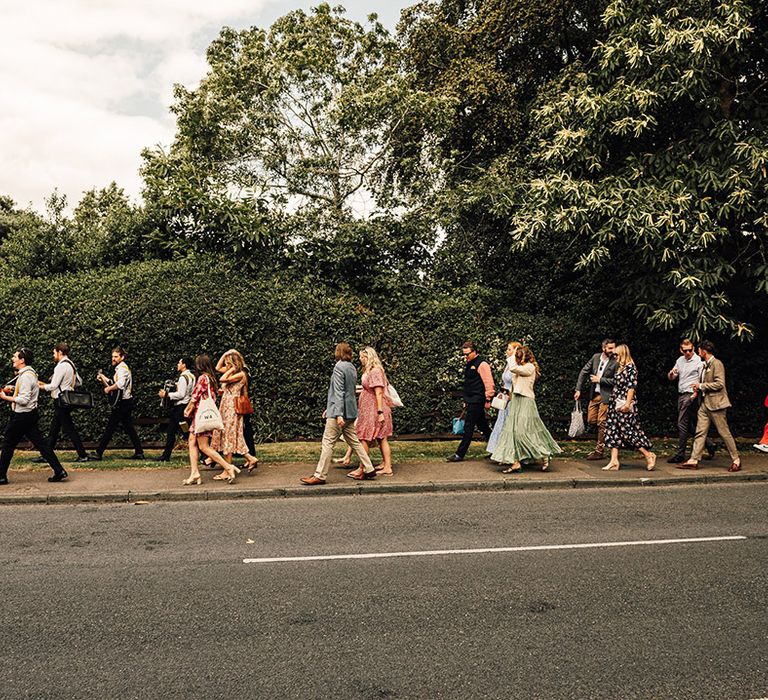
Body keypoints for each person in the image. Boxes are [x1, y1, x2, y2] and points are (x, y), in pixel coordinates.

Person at [300, 342, 376, 485]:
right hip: (351, 411)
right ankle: (369, 467)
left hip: (339, 413)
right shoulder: (352, 368)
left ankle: (319, 475)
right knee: (354, 441)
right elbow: (350, 390)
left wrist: (337, 413)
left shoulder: (338, 367)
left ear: (338, 352)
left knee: (327, 442)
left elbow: (339, 391)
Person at [0, 347, 68, 485]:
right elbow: (28, 390)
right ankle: (59, 470)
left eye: (15, 357)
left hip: (21, 416)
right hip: (29, 415)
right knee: (42, 445)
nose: (13, 359)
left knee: (8, 444)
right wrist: (12, 389)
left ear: (22, 360)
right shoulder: (30, 373)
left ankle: (1, 476)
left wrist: (5, 397)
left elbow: (24, 400)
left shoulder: (25, 376)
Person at [490, 345, 561, 472]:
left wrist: (511, 357)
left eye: (518, 356)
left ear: (524, 356)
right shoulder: (520, 367)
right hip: (516, 400)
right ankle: (515, 462)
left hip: (526, 400)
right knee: (512, 431)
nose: (516, 358)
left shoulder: (530, 367)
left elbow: (513, 369)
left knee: (523, 431)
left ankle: (544, 454)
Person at [679, 340, 741, 472]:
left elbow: (720, 384)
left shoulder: (716, 364)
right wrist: (697, 391)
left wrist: (701, 386)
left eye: (699, 350)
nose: (697, 352)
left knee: (724, 432)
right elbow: (703, 384)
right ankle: (693, 460)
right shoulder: (704, 365)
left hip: (717, 404)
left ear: (703, 351)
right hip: (705, 403)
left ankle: (736, 459)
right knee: (700, 432)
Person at [182, 355, 239, 485]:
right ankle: (194, 472)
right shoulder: (211, 378)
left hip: (201, 417)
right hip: (204, 415)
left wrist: (188, 409)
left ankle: (228, 466)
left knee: (204, 446)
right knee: (192, 441)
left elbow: (195, 395)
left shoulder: (203, 378)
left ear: (200, 365)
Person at [601, 344, 656, 471]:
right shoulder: (620, 368)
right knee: (612, 431)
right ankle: (614, 461)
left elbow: (631, 387)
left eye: (616, 354)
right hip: (615, 403)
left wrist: (627, 404)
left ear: (623, 354)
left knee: (628, 432)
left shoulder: (631, 368)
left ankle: (648, 455)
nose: (614, 357)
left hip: (624, 404)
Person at [35, 342, 89, 463]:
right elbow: (79, 382)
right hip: (66, 400)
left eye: (54, 353)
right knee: (54, 429)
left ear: (60, 352)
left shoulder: (60, 366)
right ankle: (47, 454)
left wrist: (38, 386)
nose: (53, 355)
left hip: (61, 401)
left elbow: (53, 386)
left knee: (69, 429)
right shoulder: (71, 364)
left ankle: (82, 455)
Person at [90, 347, 144, 460]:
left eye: (116, 356)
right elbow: (115, 382)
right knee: (129, 427)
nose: (113, 358)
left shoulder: (122, 369)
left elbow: (120, 385)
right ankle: (139, 452)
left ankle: (99, 453)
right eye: (112, 356)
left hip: (122, 403)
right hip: (125, 402)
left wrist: (109, 389)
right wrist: (104, 378)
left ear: (122, 357)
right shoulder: (120, 369)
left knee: (110, 428)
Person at [666, 339, 715, 463]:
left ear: (693, 349)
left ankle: (680, 454)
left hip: (691, 395)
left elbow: (702, 379)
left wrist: (696, 393)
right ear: (681, 350)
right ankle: (709, 443)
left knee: (682, 423)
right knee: (690, 425)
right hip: (681, 394)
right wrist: (672, 374)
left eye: (690, 350)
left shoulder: (699, 361)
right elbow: (672, 376)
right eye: (685, 350)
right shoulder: (680, 360)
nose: (688, 353)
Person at [347, 347, 393, 477]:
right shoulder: (371, 371)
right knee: (381, 438)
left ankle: (363, 467)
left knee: (365, 437)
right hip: (369, 408)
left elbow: (378, 392)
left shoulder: (376, 371)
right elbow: (370, 389)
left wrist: (379, 412)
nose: (360, 359)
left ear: (369, 357)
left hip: (374, 409)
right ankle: (386, 466)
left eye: (363, 357)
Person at [446, 341, 494, 462]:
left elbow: (489, 383)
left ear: (475, 351)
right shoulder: (470, 363)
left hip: (478, 400)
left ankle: (460, 454)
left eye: (467, 354)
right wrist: (466, 400)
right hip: (471, 400)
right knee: (483, 426)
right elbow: (469, 384)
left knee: (469, 427)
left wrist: (488, 399)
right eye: (464, 354)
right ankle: (497, 449)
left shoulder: (482, 364)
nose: (466, 357)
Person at [212, 350, 259, 472]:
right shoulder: (235, 373)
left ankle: (227, 470)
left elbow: (222, 379)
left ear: (233, 364)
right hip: (226, 406)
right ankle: (250, 458)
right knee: (233, 436)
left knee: (229, 435)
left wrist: (232, 369)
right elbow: (217, 367)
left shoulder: (240, 374)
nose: (225, 366)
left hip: (232, 407)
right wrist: (226, 353)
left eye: (228, 363)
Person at [574, 339, 617, 460]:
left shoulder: (616, 362)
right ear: (604, 348)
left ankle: (599, 450)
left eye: (614, 348)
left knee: (602, 422)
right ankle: (611, 433)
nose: (613, 351)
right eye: (610, 348)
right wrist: (578, 389)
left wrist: (600, 380)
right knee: (591, 420)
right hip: (595, 395)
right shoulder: (596, 357)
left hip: (607, 396)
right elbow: (584, 371)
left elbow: (617, 381)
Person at [487, 341, 521, 458]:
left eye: (509, 349)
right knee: (502, 423)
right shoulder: (508, 364)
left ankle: (511, 454)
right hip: (505, 396)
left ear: (516, 351)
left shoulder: (517, 365)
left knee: (510, 425)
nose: (507, 351)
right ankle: (499, 451)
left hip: (512, 397)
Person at [157, 356, 195, 462]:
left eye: (179, 363)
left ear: (184, 365)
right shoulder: (192, 376)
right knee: (173, 431)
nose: (178, 365)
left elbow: (181, 394)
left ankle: (204, 453)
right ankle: (166, 455)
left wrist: (166, 394)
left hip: (180, 408)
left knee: (186, 432)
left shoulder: (183, 377)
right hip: (185, 407)